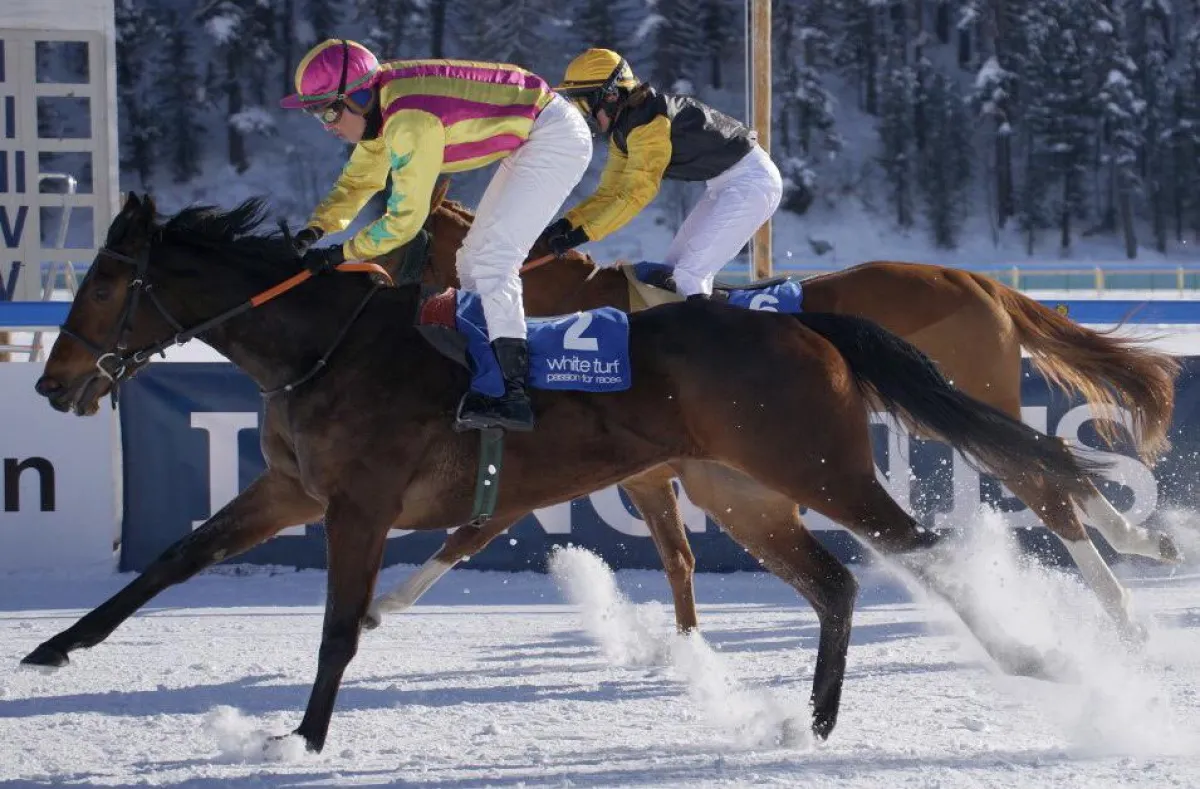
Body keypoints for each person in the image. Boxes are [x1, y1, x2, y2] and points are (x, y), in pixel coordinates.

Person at [280, 39, 593, 432]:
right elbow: (359, 181)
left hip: (555, 136)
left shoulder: (408, 121)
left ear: (357, 97)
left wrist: (342, 254)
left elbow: (405, 220)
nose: (327, 126)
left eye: (328, 111)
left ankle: (513, 394)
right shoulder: (380, 107)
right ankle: (488, 376)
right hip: (538, 131)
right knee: (470, 260)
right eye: (315, 115)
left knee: (494, 261)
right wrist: (315, 229)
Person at [538, 48, 783, 300]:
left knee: (688, 276)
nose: (584, 114)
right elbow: (609, 193)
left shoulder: (650, 123)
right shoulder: (624, 131)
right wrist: (566, 224)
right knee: (670, 273)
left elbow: (636, 194)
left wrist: (580, 235)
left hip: (753, 183)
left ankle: (704, 325)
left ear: (611, 96)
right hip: (725, 185)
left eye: (584, 103)